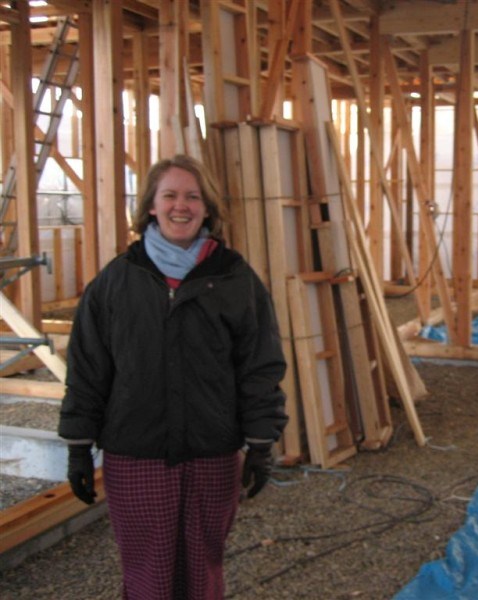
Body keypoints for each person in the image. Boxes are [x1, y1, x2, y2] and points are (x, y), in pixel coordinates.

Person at [58, 154, 288, 599]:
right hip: (135, 452)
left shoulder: (234, 278)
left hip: (211, 452)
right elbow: (87, 369)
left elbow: (259, 365)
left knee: (203, 568)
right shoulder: (115, 282)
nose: (180, 206)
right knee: (147, 573)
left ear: (207, 208)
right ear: (150, 205)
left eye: (191, 196)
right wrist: (78, 446)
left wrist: (261, 442)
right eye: (170, 195)